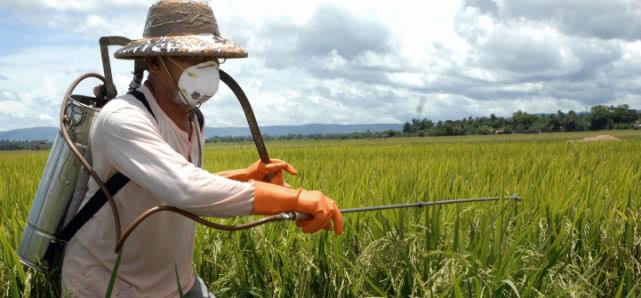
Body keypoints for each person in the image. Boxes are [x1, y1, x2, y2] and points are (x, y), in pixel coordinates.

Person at [61, 1, 343, 297]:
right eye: (191, 56)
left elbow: (175, 182)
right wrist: (294, 199)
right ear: (153, 63)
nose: (205, 67)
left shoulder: (193, 119)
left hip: (175, 282)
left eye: (211, 57)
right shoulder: (122, 119)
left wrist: (247, 177)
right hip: (108, 285)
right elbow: (187, 189)